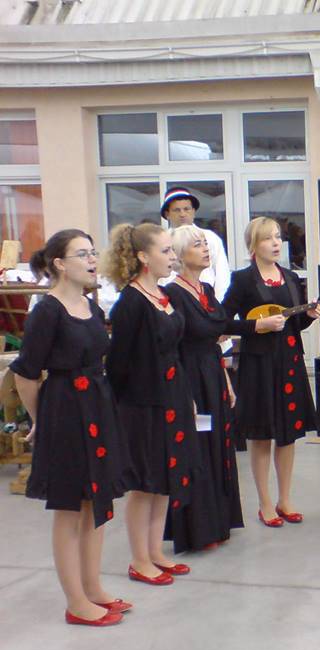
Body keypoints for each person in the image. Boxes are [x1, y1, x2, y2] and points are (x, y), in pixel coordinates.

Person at [12, 229, 131, 626]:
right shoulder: (47, 311)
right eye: (83, 254)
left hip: (97, 405)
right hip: (65, 410)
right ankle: (76, 602)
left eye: (93, 252)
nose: (92, 260)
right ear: (60, 264)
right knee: (69, 508)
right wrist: (40, 419)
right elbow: (25, 373)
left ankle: (93, 588)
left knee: (96, 502)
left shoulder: (90, 306)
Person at [104, 223, 200, 584]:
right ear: (144, 257)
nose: (172, 257)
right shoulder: (130, 303)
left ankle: (156, 551)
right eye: (165, 250)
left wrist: (186, 397)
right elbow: (118, 365)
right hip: (143, 405)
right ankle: (139, 559)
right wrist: (121, 410)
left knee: (164, 480)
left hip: (172, 397)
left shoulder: (163, 295)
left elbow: (175, 352)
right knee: (145, 485)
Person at [221, 217, 320, 527]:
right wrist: (257, 325)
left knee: (288, 435)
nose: (276, 243)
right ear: (254, 245)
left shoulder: (290, 277)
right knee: (262, 434)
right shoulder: (242, 280)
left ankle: (285, 499)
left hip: (289, 362)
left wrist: (310, 315)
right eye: (268, 238)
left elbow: (294, 323)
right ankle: (265, 502)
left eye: (278, 237)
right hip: (259, 365)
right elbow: (222, 321)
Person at [164, 225, 245, 550]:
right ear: (180, 253)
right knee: (196, 448)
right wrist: (183, 393)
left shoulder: (206, 290)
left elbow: (218, 332)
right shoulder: (173, 294)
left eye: (206, 244)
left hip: (212, 374)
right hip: (191, 378)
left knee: (218, 445)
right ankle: (197, 530)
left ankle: (219, 522)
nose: (206, 249)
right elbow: (174, 347)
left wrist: (226, 380)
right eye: (198, 244)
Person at [161, 187, 231, 300]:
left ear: (194, 211)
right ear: (167, 214)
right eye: (177, 210)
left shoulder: (210, 238)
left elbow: (222, 274)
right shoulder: (162, 241)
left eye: (186, 209)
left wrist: (217, 302)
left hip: (207, 299)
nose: (182, 214)